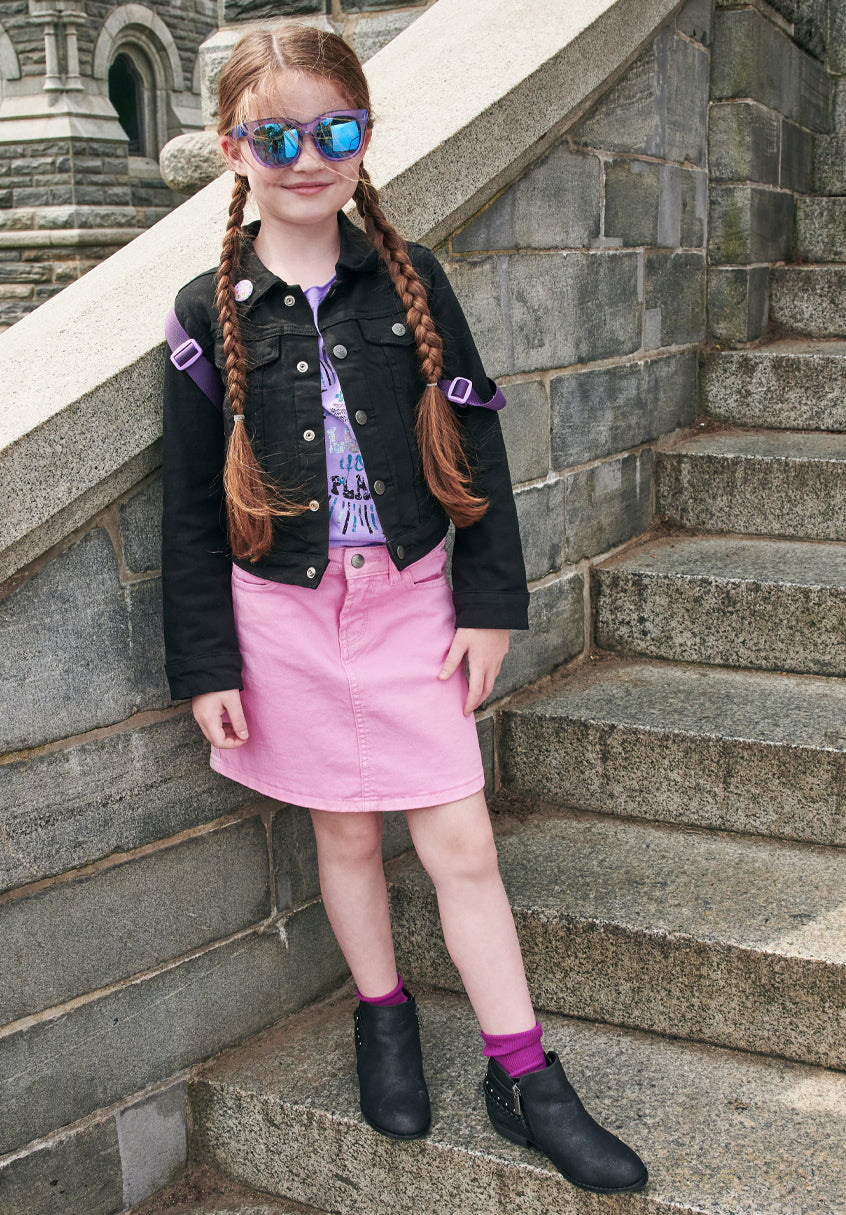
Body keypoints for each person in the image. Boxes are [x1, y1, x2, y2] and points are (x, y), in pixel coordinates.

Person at [161, 22, 647, 1197]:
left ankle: (525, 1074)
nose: (307, 158)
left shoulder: (412, 278)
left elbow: (475, 446)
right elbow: (187, 508)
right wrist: (206, 665)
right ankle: (383, 1017)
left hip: (413, 603)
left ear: (365, 137)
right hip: (281, 620)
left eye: (333, 131)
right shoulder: (205, 309)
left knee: (460, 840)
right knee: (342, 832)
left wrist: (489, 604)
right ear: (233, 150)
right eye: (276, 136)